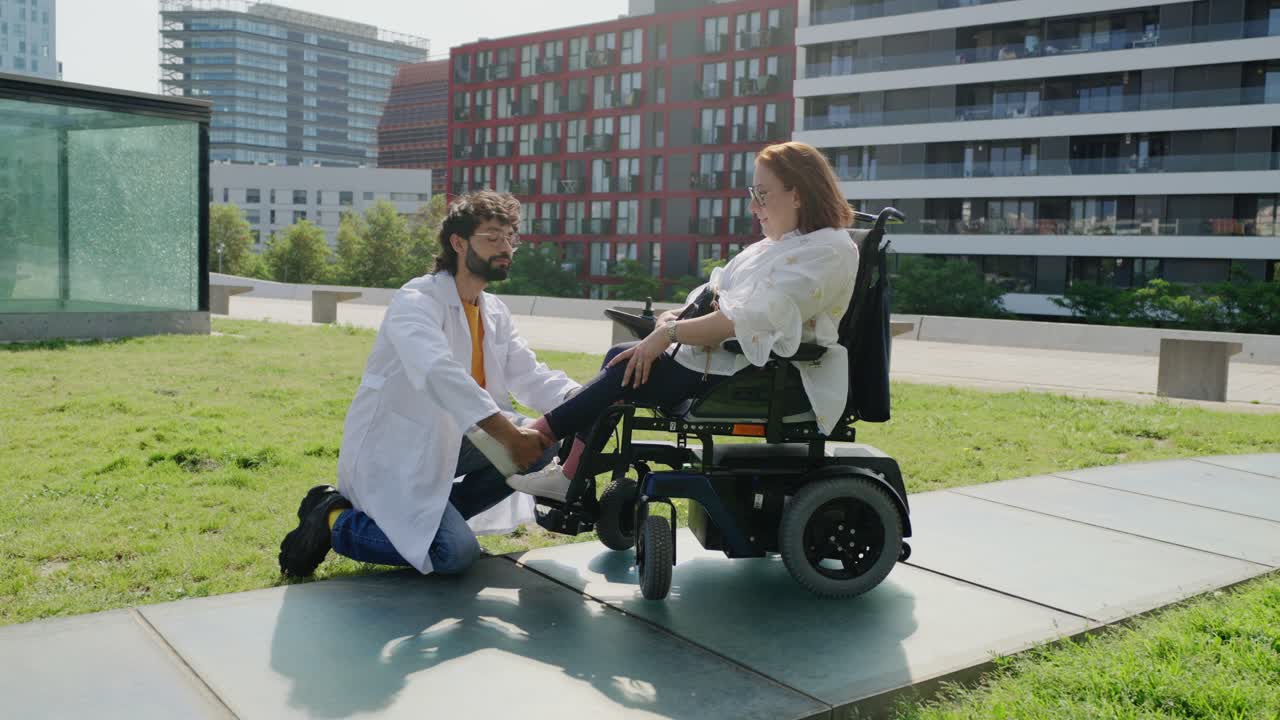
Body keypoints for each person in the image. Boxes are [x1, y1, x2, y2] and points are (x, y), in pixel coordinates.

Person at [504, 141, 861, 502]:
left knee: (623, 368)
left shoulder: (826, 250)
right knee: (621, 359)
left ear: (797, 195)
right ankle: (566, 472)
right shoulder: (780, 244)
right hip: (722, 359)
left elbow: (745, 320)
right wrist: (675, 319)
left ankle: (536, 442)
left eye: (762, 194)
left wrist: (670, 333)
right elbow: (718, 292)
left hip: (760, 371)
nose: (754, 206)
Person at [278, 190, 581, 578]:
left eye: (510, 238)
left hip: (456, 440)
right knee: (452, 555)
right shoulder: (416, 300)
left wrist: (580, 398)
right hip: (400, 448)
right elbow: (438, 371)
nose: (505, 247)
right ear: (458, 243)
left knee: (542, 444)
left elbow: (529, 372)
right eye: (492, 236)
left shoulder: (494, 311)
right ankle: (333, 518)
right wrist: (508, 433)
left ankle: (431, 518)